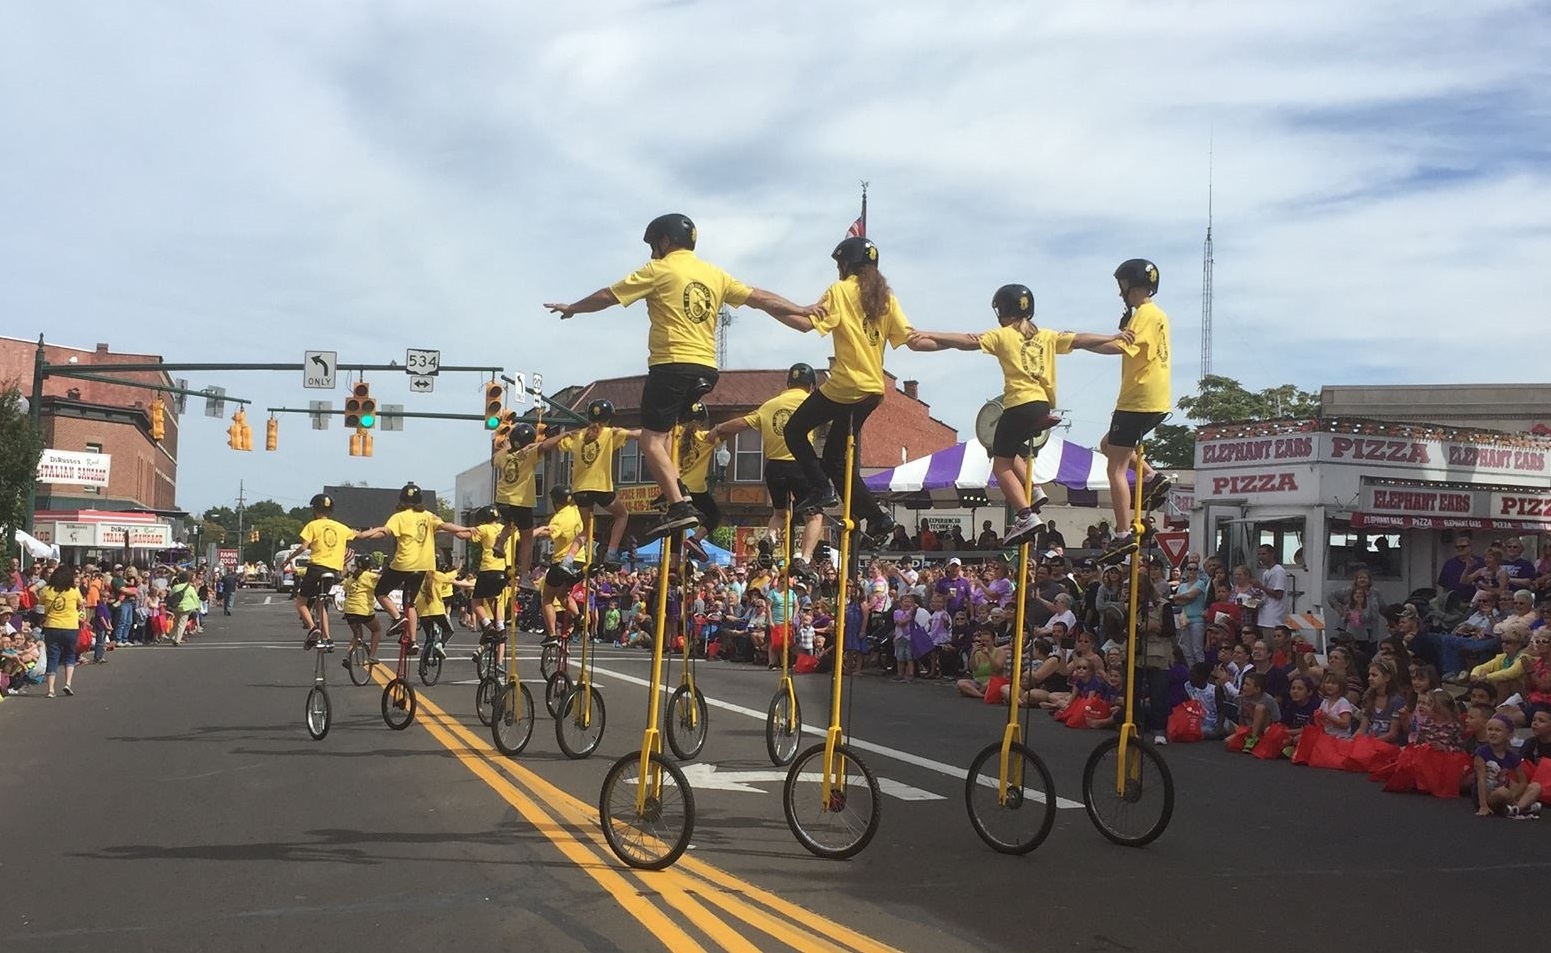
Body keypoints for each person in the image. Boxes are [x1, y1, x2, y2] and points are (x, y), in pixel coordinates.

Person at [544, 213, 816, 540]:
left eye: (652, 246)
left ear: (665, 241)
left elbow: (608, 295)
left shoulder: (658, 270)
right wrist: (800, 309)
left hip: (670, 364)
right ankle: (676, 487)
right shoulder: (713, 274)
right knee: (669, 433)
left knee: (649, 440)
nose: (651, 254)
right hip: (706, 369)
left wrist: (573, 307)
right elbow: (760, 298)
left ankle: (679, 504)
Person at [906, 283, 1131, 546]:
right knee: (1012, 453)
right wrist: (1113, 337)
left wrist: (926, 333)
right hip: (1042, 405)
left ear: (1002, 311)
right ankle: (1033, 491)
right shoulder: (1047, 336)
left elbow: (966, 341)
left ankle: (1025, 515)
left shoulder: (1002, 336)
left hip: (1017, 405)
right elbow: (1081, 340)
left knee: (999, 464)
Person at [771, 237, 932, 578]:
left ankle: (820, 487)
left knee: (795, 430)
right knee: (835, 460)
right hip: (873, 391)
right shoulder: (886, 298)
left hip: (844, 387)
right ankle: (877, 517)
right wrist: (952, 341)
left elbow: (805, 323)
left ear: (846, 264)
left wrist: (771, 307)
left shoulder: (840, 290)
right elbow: (910, 339)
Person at [1096, 259, 1171, 555]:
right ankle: (1152, 476)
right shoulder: (1158, 315)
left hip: (1137, 398)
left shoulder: (1145, 314)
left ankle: (1123, 532)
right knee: (1108, 444)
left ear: (1130, 284)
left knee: (1115, 467)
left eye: (1121, 287)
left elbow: (1121, 346)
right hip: (1156, 398)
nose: (1119, 293)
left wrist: (1081, 343)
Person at [355, 483, 472, 649]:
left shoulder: (399, 517)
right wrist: (467, 528)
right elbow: (446, 526)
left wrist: (363, 535)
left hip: (404, 564)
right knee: (410, 604)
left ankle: (397, 618)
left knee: (381, 592)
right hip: (423, 566)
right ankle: (414, 641)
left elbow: (384, 531)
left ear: (402, 501)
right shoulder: (428, 516)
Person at [536, 400, 639, 569]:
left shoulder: (578, 435)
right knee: (622, 515)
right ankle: (611, 553)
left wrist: (564, 435)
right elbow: (637, 435)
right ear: (609, 418)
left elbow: (547, 446)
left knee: (586, 529)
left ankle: (568, 560)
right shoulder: (609, 433)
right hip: (601, 488)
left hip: (580, 490)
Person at [283, 493, 356, 648]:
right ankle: (328, 638)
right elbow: (359, 534)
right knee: (320, 604)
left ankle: (312, 628)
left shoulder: (312, 525)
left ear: (315, 509)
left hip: (316, 568)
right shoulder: (341, 527)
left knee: (301, 601)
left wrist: (288, 560)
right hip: (333, 571)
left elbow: (303, 546)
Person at [531, 484, 586, 645]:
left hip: (562, 563)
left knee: (547, 598)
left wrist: (531, 533)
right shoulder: (578, 511)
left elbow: (548, 532)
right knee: (562, 595)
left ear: (556, 501)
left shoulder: (560, 517)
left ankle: (552, 635)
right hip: (579, 562)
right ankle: (578, 617)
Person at [492, 423, 541, 585]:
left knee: (510, 522)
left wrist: (506, 447)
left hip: (502, 500)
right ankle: (525, 576)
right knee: (527, 537)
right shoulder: (531, 453)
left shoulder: (502, 455)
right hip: (521, 501)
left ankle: (500, 542)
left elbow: (495, 460)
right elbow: (545, 446)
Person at [38, 564, 82, 698]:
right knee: (69, 654)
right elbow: (81, 603)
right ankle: (68, 683)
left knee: (53, 656)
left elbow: (40, 602)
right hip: (70, 626)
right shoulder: (74, 590)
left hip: (52, 626)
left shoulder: (46, 590)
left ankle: (51, 689)